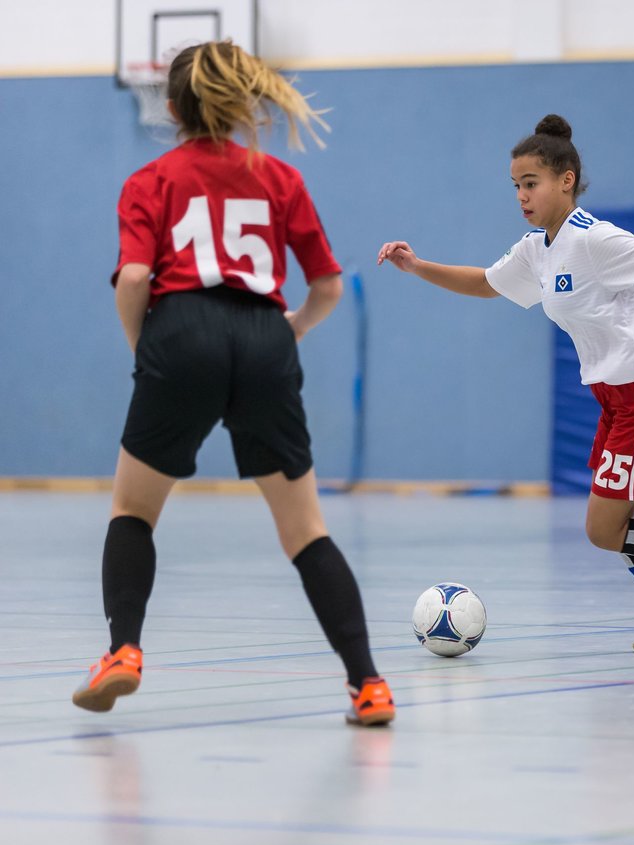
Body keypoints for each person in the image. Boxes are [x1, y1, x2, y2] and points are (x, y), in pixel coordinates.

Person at [72, 41, 395, 725]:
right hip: (263, 338)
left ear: (170, 106)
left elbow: (134, 280)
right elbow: (328, 286)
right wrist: (292, 331)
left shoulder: (149, 179)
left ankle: (123, 651)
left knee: (133, 511)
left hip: (180, 332)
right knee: (306, 529)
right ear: (245, 101)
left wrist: (149, 351)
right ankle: (368, 684)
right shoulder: (279, 178)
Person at [378, 114, 634, 652]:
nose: (521, 195)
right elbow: (487, 284)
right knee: (618, 526)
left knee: (603, 529)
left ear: (566, 179)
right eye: (515, 186)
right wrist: (417, 265)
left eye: (531, 183)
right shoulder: (536, 249)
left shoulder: (594, 240)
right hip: (615, 398)